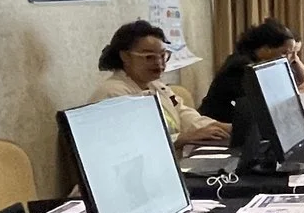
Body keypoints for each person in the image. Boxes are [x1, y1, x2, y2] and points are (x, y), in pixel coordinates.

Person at [92, 19, 228, 151]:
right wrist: (182, 138)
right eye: (149, 57)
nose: (159, 63)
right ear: (125, 57)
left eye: (163, 55)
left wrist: (222, 127)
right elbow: (134, 144)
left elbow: (183, 114)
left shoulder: (156, 85)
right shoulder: (113, 94)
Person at [199, 18, 297, 123]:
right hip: (217, 124)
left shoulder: (254, 60)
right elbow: (258, 102)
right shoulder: (241, 66)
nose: (288, 58)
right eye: (284, 53)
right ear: (266, 48)